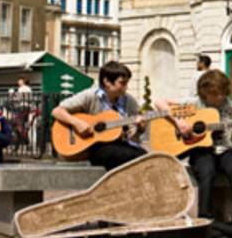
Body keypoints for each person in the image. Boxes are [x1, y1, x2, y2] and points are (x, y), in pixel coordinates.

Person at [51, 60, 180, 171]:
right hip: (95, 148)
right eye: (122, 83)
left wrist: (140, 127)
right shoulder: (90, 96)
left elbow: (136, 130)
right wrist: (77, 123)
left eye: (127, 83)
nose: (126, 88)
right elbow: (57, 111)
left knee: (146, 157)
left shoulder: (129, 100)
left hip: (122, 146)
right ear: (107, 82)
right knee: (132, 157)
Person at [189, 70, 232, 225]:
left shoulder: (231, 107)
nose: (220, 98)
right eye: (215, 94)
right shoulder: (194, 104)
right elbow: (162, 105)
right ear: (205, 93)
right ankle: (204, 218)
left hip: (225, 148)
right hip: (201, 150)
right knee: (207, 172)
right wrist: (182, 125)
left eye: (222, 94)